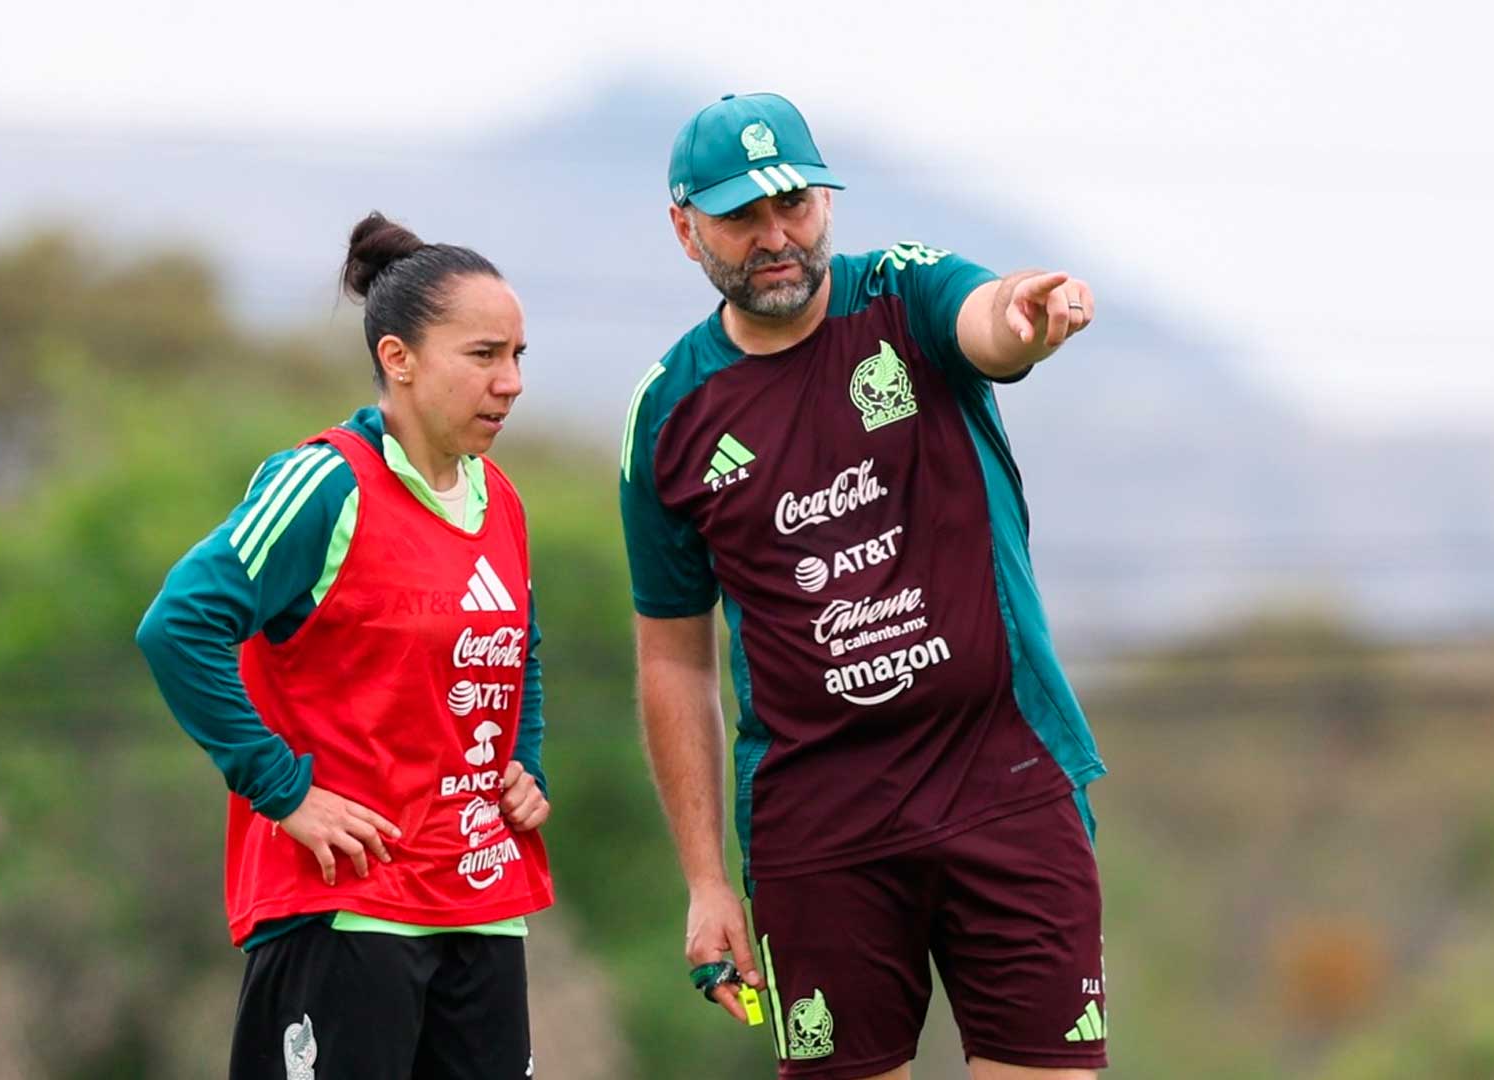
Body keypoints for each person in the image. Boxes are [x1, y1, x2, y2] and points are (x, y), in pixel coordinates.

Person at [619, 93, 1109, 1080]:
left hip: (1006, 787)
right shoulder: (670, 416)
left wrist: (1026, 317)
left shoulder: (902, 295)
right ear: (684, 229)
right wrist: (707, 880)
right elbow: (674, 658)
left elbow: (989, 322)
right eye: (740, 218)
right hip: (819, 831)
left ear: (827, 204)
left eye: (794, 206)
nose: (775, 237)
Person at [137, 212, 552, 1080]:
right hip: (345, 909)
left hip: (479, 905)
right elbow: (179, 626)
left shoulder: (500, 499)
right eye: (483, 356)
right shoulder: (326, 482)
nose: (509, 382)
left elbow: (521, 648)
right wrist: (281, 788)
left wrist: (526, 761)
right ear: (397, 359)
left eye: (517, 356)